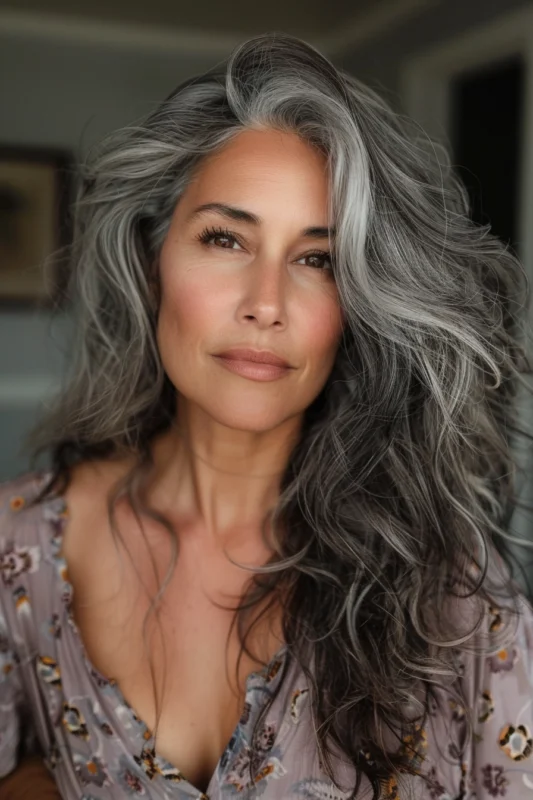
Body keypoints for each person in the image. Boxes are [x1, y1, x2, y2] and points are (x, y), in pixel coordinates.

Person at [1, 31, 533, 800]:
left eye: (316, 259)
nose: (265, 305)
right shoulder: (19, 548)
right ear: (153, 260)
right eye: (225, 238)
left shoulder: (450, 594)